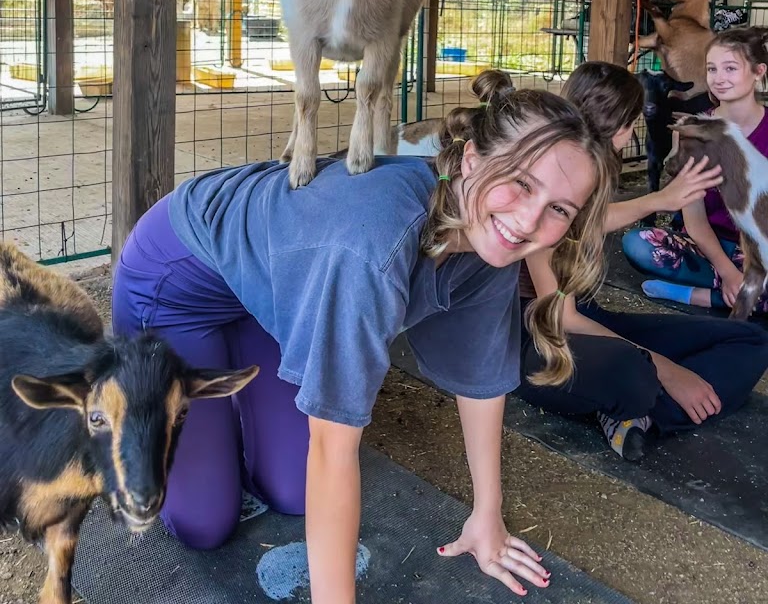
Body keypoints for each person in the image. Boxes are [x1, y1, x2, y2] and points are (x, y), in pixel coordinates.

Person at [112, 71, 616, 602]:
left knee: (294, 491)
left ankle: (227, 406)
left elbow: (481, 382)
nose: (529, 220)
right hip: (177, 287)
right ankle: (137, 404)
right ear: (471, 160)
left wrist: (486, 517)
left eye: (560, 208)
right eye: (523, 182)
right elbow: (333, 449)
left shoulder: (492, 240)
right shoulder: (370, 247)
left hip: (273, 295)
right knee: (204, 524)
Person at [518, 61, 768, 463]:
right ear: (617, 124)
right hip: (537, 335)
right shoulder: (547, 179)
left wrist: (661, 200)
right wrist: (666, 369)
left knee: (750, 340)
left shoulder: (591, 173)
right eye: (632, 121)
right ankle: (637, 400)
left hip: (587, 317)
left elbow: (589, 220)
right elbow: (561, 318)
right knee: (632, 372)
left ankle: (637, 416)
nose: (634, 130)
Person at [623, 28, 768, 314]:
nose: (719, 78)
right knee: (638, 244)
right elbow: (696, 221)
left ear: (758, 71)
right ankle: (741, 292)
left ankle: (698, 295)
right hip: (709, 247)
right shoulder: (692, 130)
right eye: (712, 69)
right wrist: (728, 272)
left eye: (730, 68)